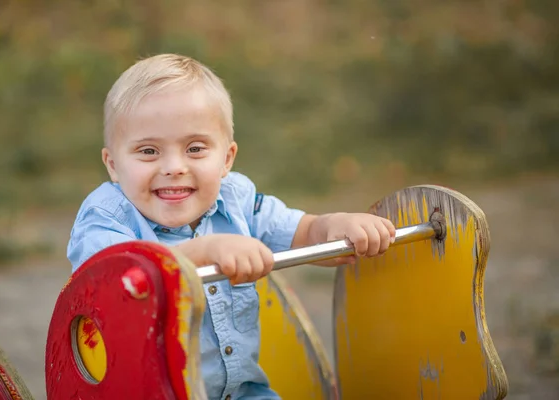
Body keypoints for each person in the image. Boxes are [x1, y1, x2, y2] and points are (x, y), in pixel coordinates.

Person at [67, 53, 396, 400]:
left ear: (226, 158)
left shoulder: (236, 198)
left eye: (195, 148)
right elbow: (119, 278)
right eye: (148, 151)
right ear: (114, 165)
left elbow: (303, 234)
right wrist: (206, 251)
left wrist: (337, 225)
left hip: (240, 392)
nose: (174, 167)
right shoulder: (105, 217)